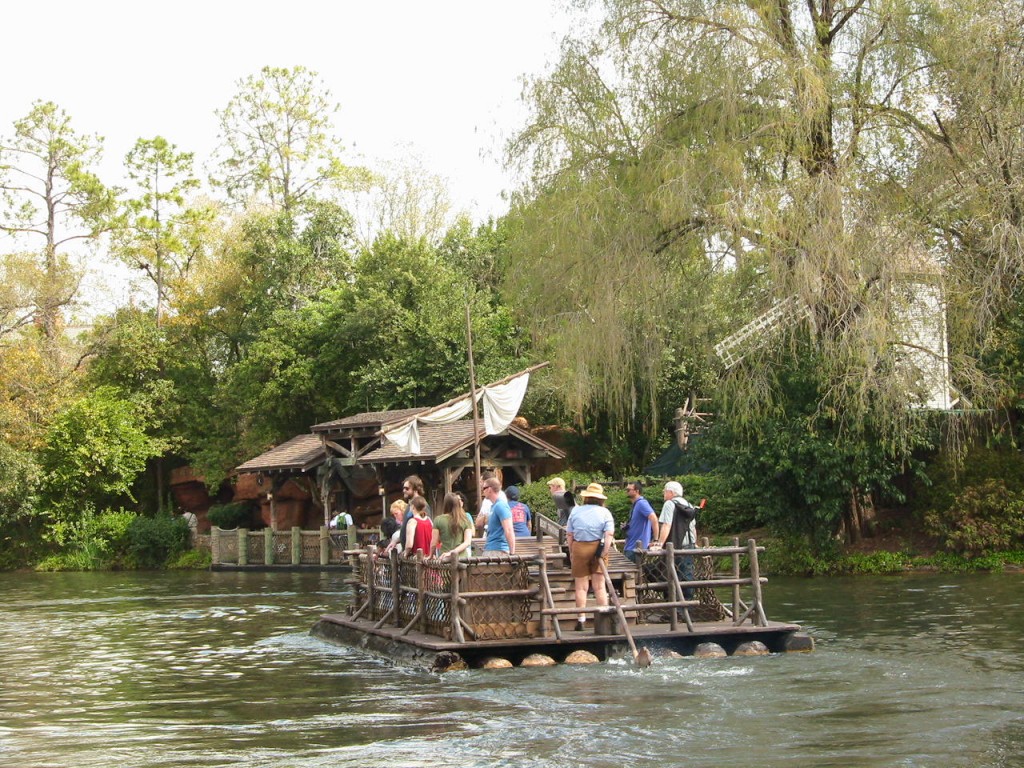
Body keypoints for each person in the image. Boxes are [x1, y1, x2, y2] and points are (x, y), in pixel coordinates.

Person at [565, 482, 615, 632]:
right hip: (598, 548)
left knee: (581, 587)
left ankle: (581, 619)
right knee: (599, 586)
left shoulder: (576, 511)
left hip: (579, 547)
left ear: (586, 497)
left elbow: (569, 534)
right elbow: (609, 534)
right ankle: (603, 620)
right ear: (600, 499)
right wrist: (604, 551)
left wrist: (572, 551)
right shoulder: (605, 512)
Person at [651, 480, 697, 599]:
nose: (663, 494)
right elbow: (693, 528)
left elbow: (666, 525)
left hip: (675, 546)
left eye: (665, 491)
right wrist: (694, 543)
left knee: (669, 575)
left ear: (671, 492)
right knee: (687, 575)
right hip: (689, 546)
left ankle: (672, 605)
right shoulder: (689, 505)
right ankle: (687, 604)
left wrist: (659, 544)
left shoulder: (669, 504)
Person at [623, 481, 659, 563]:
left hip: (636, 549)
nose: (626, 492)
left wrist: (655, 540)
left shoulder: (641, 503)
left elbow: (654, 518)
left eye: (628, 490)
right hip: (631, 546)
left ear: (637, 491)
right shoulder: (636, 504)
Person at [431, 492, 475, 560]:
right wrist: (453, 552)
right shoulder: (465, 520)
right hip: (462, 558)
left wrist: (430, 555)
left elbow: (434, 542)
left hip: (444, 558)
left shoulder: (438, 520)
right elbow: (467, 542)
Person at [481, 477, 515, 556]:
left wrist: (512, 553)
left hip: (499, 550)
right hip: (491, 548)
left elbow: (509, 529)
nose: (482, 491)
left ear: (489, 489)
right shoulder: (494, 506)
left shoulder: (501, 506)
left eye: (484, 488)